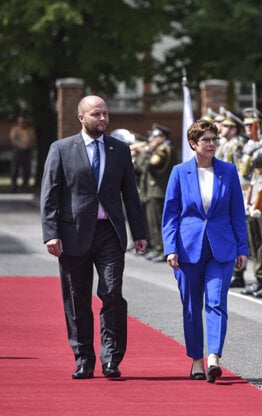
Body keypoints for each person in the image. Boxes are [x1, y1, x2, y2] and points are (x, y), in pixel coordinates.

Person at [41, 95, 148, 379]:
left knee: (112, 293)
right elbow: (50, 194)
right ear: (81, 118)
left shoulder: (119, 149)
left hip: (109, 233)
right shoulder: (62, 149)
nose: (103, 119)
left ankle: (111, 358)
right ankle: (83, 358)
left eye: (105, 114)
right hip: (72, 233)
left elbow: (131, 194)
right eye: (96, 114)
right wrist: (51, 233)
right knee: (77, 298)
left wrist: (139, 232)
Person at [162, 119, 248, 383]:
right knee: (191, 306)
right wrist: (170, 248)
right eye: (206, 140)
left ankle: (214, 357)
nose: (211, 144)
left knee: (216, 302)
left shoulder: (228, 171)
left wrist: (242, 247)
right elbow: (171, 214)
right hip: (188, 249)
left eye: (214, 139)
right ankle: (196, 359)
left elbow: (237, 213)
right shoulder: (179, 172)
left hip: (222, 248)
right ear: (193, 144)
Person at [134, 124, 176, 262]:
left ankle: (162, 249)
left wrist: (147, 151)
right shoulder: (159, 150)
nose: (153, 140)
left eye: (156, 136)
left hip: (159, 191)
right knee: (152, 223)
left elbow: (148, 166)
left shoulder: (166, 150)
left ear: (163, 137)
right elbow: (140, 167)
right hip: (153, 191)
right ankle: (156, 247)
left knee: (158, 223)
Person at [9, 115, 37, 192]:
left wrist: (28, 145)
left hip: (27, 151)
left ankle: (26, 186)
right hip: (17, 151)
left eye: (23, 122)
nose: (22, 123)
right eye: (20, 122)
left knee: (27, 170)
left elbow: (33, 140)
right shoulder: (16, 129)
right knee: (15, 170)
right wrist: (21, 145)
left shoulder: (30, 130)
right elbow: (13, 140)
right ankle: (14, 186)